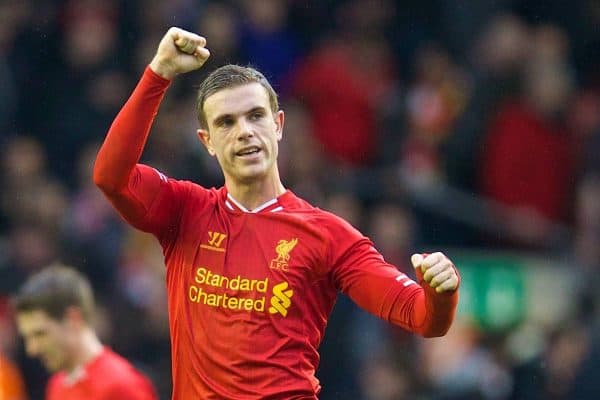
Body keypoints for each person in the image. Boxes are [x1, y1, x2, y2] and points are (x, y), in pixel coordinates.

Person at [93, 27, 460, 399]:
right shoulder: (184, 211)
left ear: (279, 125)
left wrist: (441, 292)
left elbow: (422, 317)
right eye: (226, 122)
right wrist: (159, 73)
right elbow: (110, 177)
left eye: (255, 116)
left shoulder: (327, 235)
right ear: (207, 143)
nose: (244, 132)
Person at [12, 265, 158, 400]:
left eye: (40, 334)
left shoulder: (122, 386)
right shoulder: (58, 385)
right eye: (27, 337)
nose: (32, 349)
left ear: (73, 319)